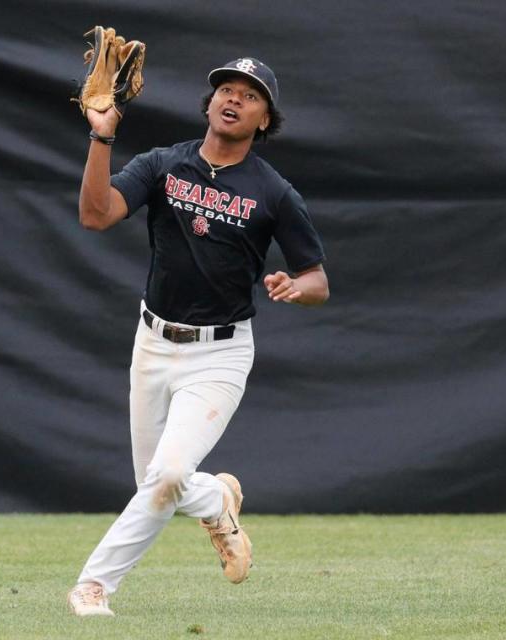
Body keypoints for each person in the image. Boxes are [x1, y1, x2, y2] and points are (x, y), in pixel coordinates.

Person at [68, 57, 329, 617]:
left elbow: (317, 279)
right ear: (209, 104)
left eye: (250, 95)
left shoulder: (273, 192)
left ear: (264, 119)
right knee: (155, 486)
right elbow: (95, 215)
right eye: (225, 90)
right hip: (154, 342)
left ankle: (93, 587)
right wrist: (100, 135)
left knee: (164, 478)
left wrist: (295, 287)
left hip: (221, 352)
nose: (233, 99)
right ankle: (215, 499)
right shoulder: (163, 164)